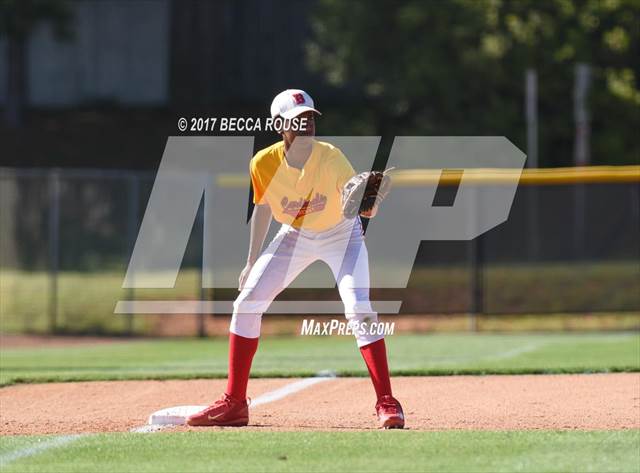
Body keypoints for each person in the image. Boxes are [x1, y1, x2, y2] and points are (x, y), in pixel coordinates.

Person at [187, 89, 404, 429]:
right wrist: (250, 260)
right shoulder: (262, 163)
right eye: (297, 119)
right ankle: (235, 403)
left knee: (359, 308)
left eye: (310, 118)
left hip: (340, 235)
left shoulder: (330, 157)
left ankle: (387, 403)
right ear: (279, 126)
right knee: (246, 303)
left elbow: (358, 200)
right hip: (294, 235)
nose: (306, 125)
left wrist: (369, 204)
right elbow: (262, 209)